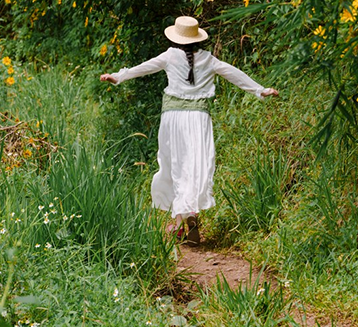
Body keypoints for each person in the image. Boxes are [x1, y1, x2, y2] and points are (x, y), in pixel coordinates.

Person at [99, 15, 278, 244]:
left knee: (174, 165)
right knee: (196, 166)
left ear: (176, 37)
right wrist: (260, 90)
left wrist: (117, 77)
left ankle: (179, 220)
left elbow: (144, 68)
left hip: (172, 117)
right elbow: (234, 74)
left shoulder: (169, 55)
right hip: (198, 118)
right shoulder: (209, 59)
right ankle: (189, 214)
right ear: (197, 39)